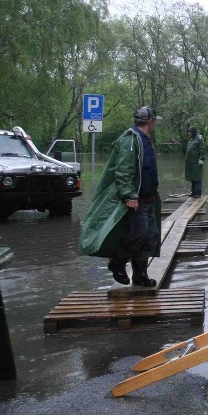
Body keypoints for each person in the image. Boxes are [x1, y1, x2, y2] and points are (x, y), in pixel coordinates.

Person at [78, 106, 162, 287]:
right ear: (150, 121)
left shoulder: (144, 139)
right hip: (135, 200)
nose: (154, 124)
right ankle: (117, 262)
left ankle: (140, 275)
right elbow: (124, 170)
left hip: (148, 199)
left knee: (150, 237)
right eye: (154, 121)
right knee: (137, 236)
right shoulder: (130, 140)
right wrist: (129, 195)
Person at [184, 125, 205, 197]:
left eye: (189, 132)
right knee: (192, 178)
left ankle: (198, 193)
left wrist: (201, 161)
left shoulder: (199, 139)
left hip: (197, 162)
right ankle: (193, 192)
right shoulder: (191, 139)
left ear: (193, 132)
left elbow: (202, 150)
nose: (188, 134)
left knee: (197, 178)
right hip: (191, 163)